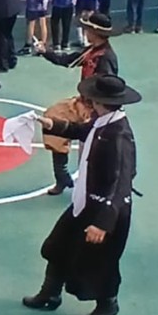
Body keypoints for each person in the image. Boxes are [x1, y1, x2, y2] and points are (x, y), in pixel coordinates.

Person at [24, 75, 140, 315]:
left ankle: (108, 304)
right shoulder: (102, 123)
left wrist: (103, 223)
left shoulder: (118, 136)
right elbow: (79, 130)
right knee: (58, 245)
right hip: (84, 202)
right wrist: (49, 122)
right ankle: (50, 293)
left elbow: (120, 182)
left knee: (103, 261)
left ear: (98, 101)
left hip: (105, 210)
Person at [42, 13, 120, 195]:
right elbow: (69, 61)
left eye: (88, 29)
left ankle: (89, 189)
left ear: (95, 32)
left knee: (88, 154)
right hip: (83, 102)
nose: (85, 32)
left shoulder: (106, 58)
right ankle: (61, 176)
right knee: (54, 116)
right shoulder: (91, 50)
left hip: (96, 109)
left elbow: (107, 89)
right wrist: (45, 52)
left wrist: (98, 113)